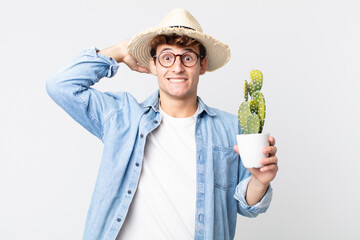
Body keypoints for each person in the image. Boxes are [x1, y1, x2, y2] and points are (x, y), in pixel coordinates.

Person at [46, 8, 278, 240]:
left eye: (188, 57)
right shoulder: (122, 116)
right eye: (167, 57)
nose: (177, 67)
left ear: (202, 65)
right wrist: (119, 50)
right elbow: (61, 86)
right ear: (153, 65)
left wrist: (259, 181)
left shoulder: (230, 127)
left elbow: (246, 205)